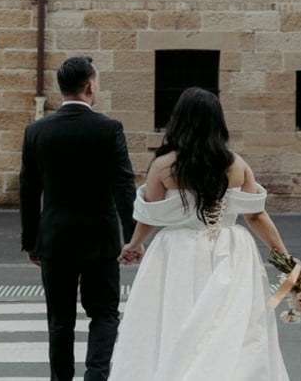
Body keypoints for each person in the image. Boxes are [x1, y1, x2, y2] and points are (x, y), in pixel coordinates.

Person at [109, 87, 291, 381]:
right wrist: (285, 257)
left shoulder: (164, 166)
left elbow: (150, 216)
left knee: (177, 323)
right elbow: (255, 215)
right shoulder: (236, 164)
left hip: (177, 252)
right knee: (231, 325)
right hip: (231, 252)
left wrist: (134, 244)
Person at [19, 55, 137, 381]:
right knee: (104, 313)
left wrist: (30, 240)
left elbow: (28, 190)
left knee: (59, 320)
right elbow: (123, 186)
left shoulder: (36, 132)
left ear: (61, 88)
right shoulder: (109, 129)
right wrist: (132, 237)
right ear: (90, 87)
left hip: (55, 238)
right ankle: (96, 377)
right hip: (100, 238)